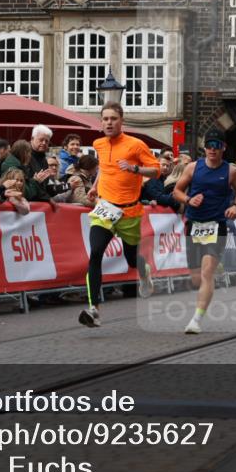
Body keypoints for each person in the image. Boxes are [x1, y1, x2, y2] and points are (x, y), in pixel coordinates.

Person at [78, 102, 160, 328]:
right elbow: (105, 168)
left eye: (113, 118)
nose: (109, 123)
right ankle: (94, 309)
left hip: (129, 211)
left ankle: (144, 272)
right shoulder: (99, 144)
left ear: (121, 120)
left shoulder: (136, 145)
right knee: (95, 253)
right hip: (105, 209)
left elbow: (156, 170)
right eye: (105, 119)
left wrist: (135, 169)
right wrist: (95, 186)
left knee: (131, 259)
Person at [170, 129, 236, 334]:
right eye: (209, 145)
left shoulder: (231, 171)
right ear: (204, 148)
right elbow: (176, 191)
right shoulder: (193, 167)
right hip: (194, 224)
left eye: (217, 145)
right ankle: (216, 267)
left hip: (217, 225)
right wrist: (188, 200)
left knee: (206, 273)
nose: (212, 149)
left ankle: (196, 320)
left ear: (223, 147)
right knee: (196, 277)